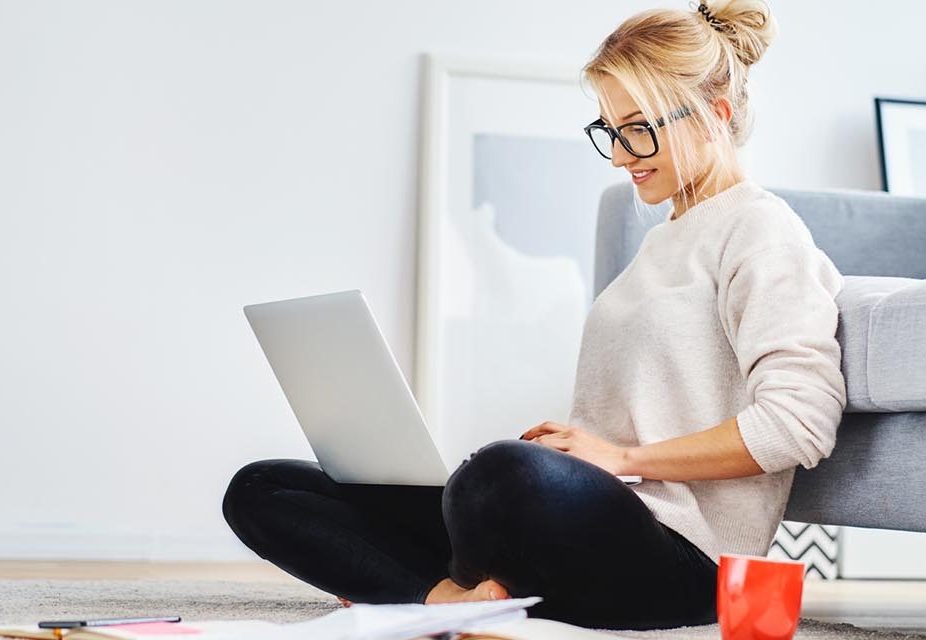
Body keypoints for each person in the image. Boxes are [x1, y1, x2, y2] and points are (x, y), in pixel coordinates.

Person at [221, 0, 848, 630]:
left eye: (639, 128)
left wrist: (620, 460)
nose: (622, 154)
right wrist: (579, 455)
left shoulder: (762, 232)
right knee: (262, 489)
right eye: (609, 129)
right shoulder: (665, 238)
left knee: (498, 476)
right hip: (587, 525)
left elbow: (800, 422)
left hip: (682, 558)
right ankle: (447, 599)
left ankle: (411, 581)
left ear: (713, 115)